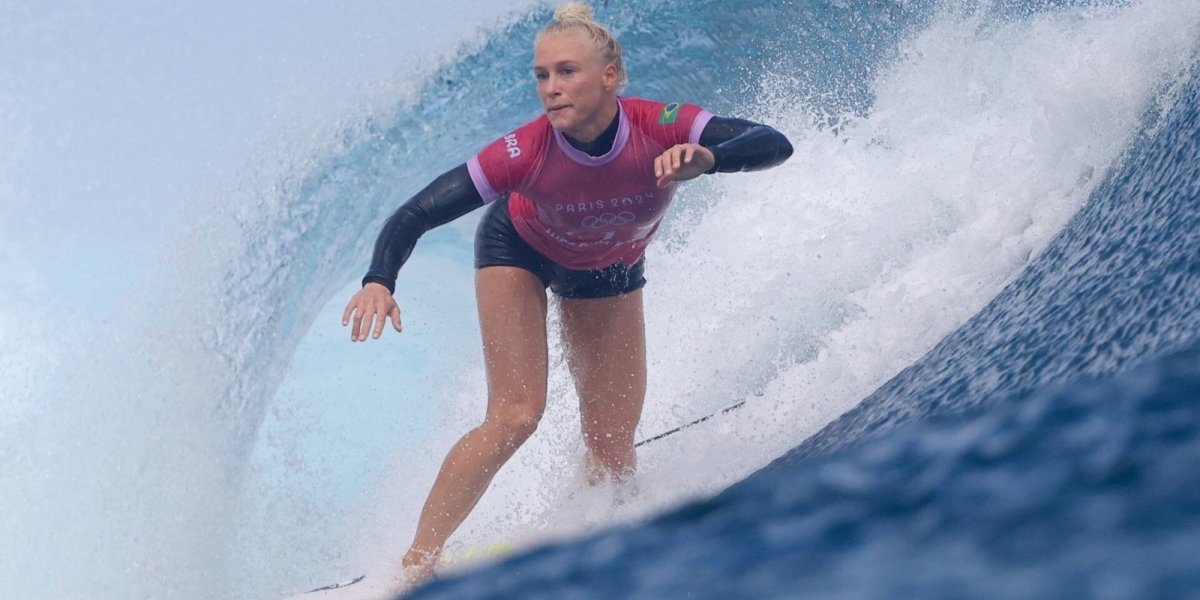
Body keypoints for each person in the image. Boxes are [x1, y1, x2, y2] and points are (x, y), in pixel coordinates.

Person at [337, 2, 792, 595]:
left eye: (566, 72)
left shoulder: (661, 124)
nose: (550, 88)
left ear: (609, 75)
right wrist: (379, 279)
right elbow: (416, 212)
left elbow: (773, 142)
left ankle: (597, 538)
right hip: (519, 250)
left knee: (613, 448)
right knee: (516, 415)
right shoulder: (524, 150)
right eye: (542, 75)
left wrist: (710, 159)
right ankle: (415, 566)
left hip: (608, 268)